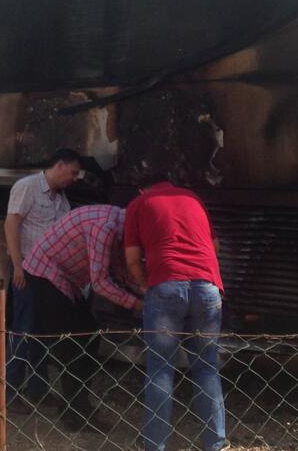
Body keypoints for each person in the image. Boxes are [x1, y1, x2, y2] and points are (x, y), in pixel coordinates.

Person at [124, 177, 228, 451]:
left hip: (166, 287)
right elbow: (215, 247)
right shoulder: (193, 198)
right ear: (169, 183)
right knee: (206, 367)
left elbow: (132, 258)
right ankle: (215, 444)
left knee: (160, 369)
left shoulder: (139, 203)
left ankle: (155, 446)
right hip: (208, 289)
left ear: (142, 187)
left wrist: (145, 284)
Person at [23, 204, 143, 430]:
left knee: (90, 335)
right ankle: (75, 415)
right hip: (45, 274)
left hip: (66, 281)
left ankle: (76, 405)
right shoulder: (105, 227)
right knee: (73, 345)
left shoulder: (121, 227)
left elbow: (122, 271)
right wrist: (137, 304)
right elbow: (100, 282)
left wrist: (148, 291)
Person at [4, 148, 81, 412]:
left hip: (50, 276)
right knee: (23, 330)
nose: (73, 178)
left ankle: (38, 388)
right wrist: (17, 267)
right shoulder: (27, 188)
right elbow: (11, 224)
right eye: (72, 172)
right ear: (59, 165)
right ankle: (10, 393)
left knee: (40, 333)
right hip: (27, 270)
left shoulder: (61, 200)